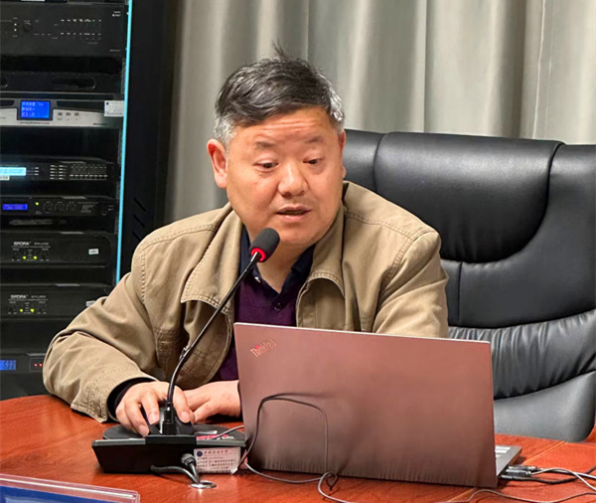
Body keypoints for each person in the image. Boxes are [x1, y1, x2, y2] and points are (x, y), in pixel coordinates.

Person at [43, 51, 448, 436]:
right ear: (221, 163)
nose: (293, 184)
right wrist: (126, 388)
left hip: (336, 469)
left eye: (313, 161)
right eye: (268, 165)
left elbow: (412, 382)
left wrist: (253, 393)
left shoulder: (400, 252)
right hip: (200, 473)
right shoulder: (170, 255)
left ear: (339, 153)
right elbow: (75, 347)